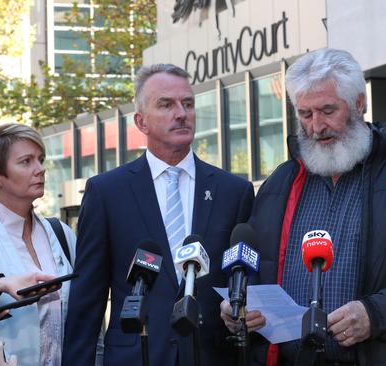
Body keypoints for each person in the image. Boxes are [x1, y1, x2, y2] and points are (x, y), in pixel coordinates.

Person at [220, 48, 386, 365]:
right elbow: (257, 271)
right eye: (305, 114)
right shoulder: (280, 184)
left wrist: (377, 315)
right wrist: (240, 308)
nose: (316, 126)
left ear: (359, 103)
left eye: (327, 110)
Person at [62, 64, 255, 365]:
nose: (181, 113)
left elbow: (245, 283)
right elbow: (88, 299)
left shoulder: (234, 192)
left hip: (212, 356)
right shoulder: (106, 192)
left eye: (187, 104)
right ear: (141, 121)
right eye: (166, 104)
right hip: (138, 356)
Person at [0, 123, 77, 366]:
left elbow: (84, 316)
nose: (40, 169)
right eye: (26, 161)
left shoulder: (61, 234)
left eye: (40, 159)